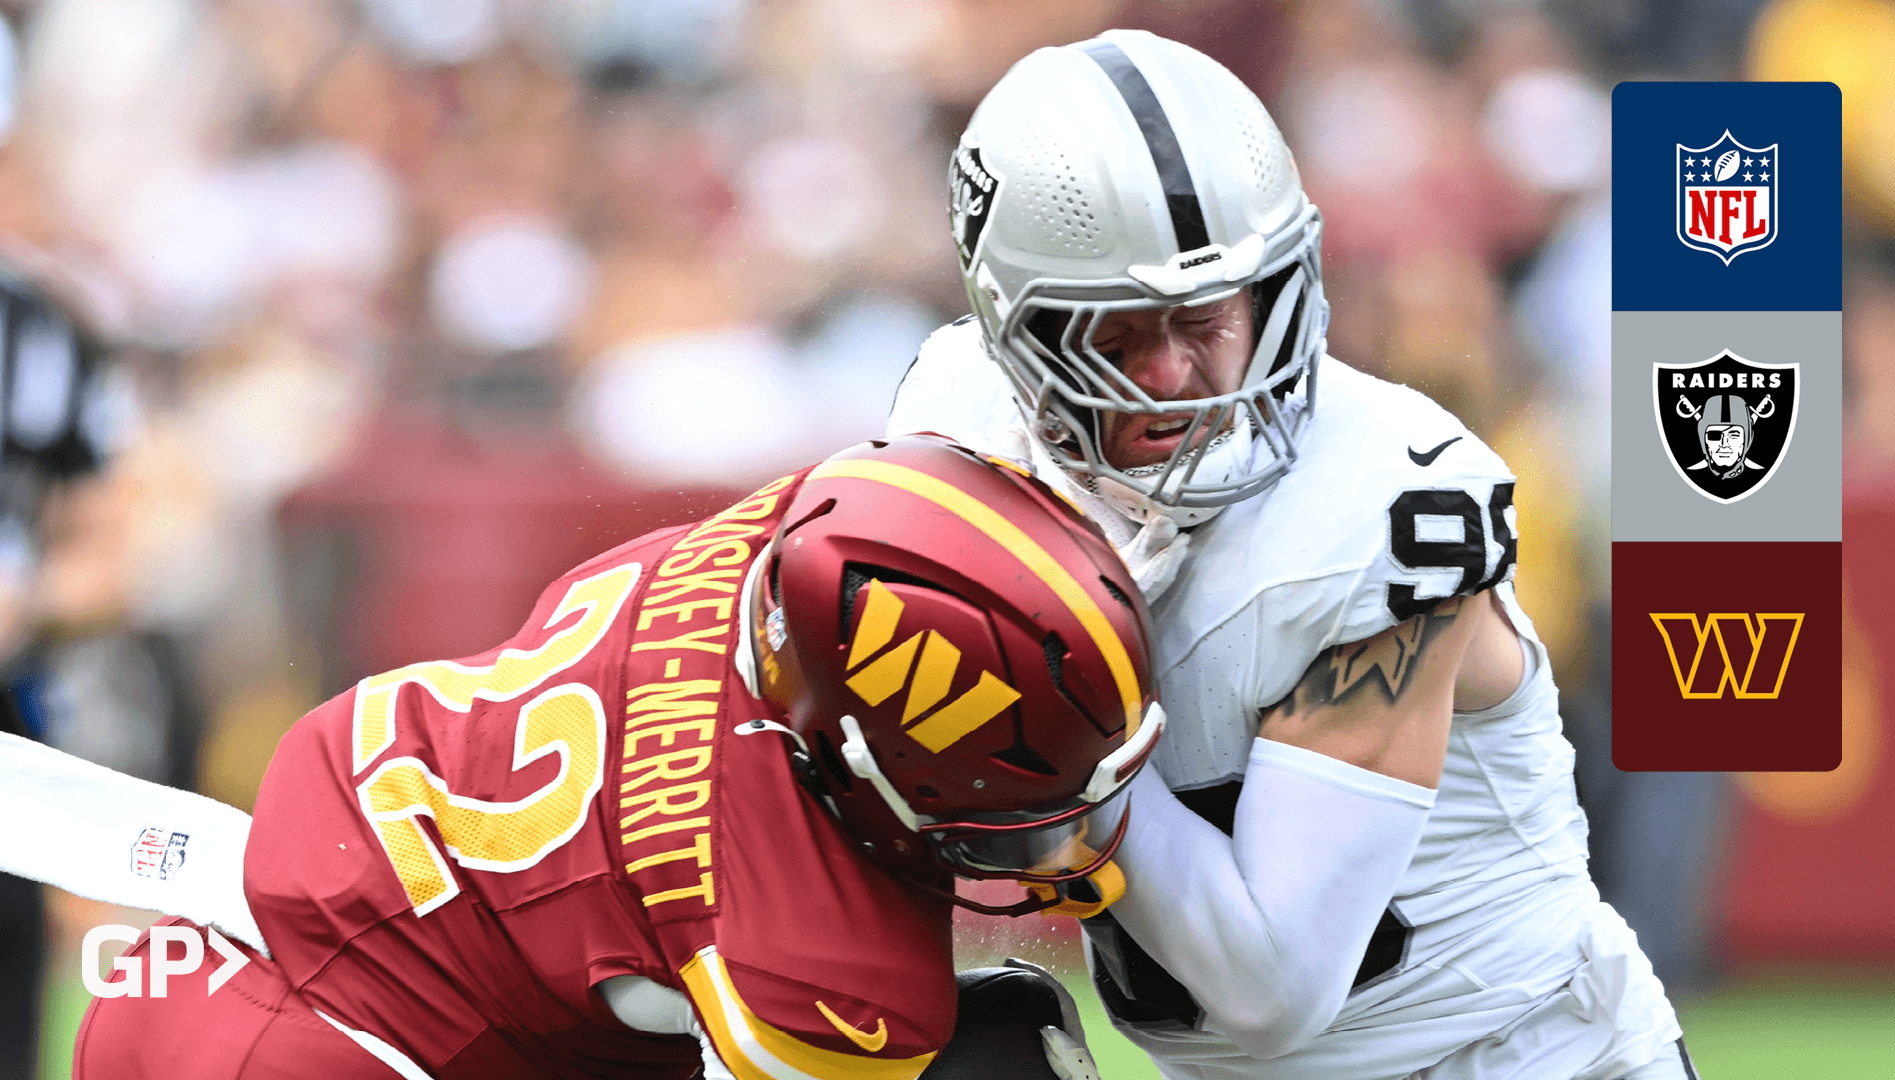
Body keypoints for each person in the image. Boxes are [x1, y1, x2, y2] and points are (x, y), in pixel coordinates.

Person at [890, 29, 1694, 1080]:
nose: (1173, 374)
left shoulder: (1378, 506)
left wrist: (1065, 743)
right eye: (1117, 333)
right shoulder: (961, 431)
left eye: (1207, 315)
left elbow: (1273, 987)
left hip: (1509, 1056)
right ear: (1018, 332)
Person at [26, 434, 1163, 1079]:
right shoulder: (820, 962)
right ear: (858, 755)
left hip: (309, 925)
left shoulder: (766, 548)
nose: (1058, 845)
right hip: (313, 1044)